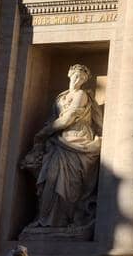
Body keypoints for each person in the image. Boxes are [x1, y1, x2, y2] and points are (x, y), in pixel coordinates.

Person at [21, 65, 101, 228]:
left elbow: (69, 118)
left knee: (70, 183)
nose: (78, 80)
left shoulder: (81, 95)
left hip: (76, 139)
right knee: (50, 179)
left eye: (82, 78)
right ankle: (46, 218)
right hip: (57, 142)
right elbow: (53, 118)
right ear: (69, 74)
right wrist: (45, 134)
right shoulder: (60, 97)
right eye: (76, 76)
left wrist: (43, 133)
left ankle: (64, 220)